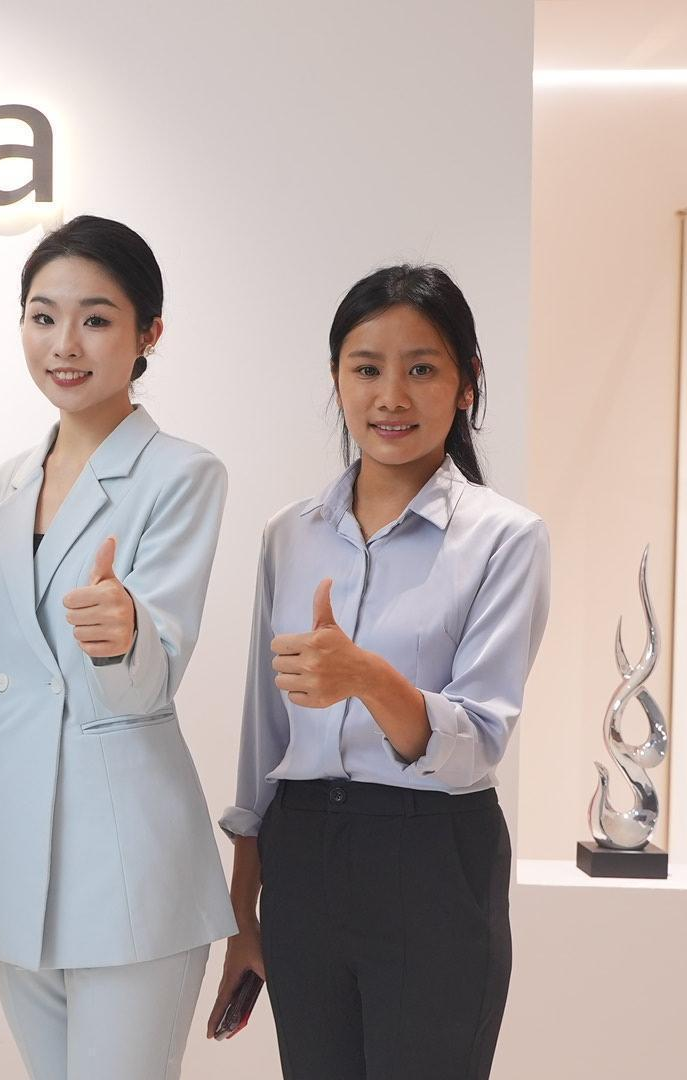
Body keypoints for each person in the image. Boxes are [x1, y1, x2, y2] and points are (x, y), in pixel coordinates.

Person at [211, 265, 551, 1079]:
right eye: (366, 368)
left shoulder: (505, 539)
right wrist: (243, 912)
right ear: (337, 380)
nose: (391, 396)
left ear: (467, 383)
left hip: (432, 858)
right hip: (302, 863)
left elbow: (476, 744)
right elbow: (264, 738)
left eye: (422, 368)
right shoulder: (289, 534)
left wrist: (367, 676)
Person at [0, 215, 236, 1080]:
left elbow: (153, 679)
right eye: (43, 317)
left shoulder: (182, 473)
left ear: (149, 333)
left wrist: (126, 637)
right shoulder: (4, 485)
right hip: (15, 857)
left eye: (97, 319)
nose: (64, 344)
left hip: (127, 863)